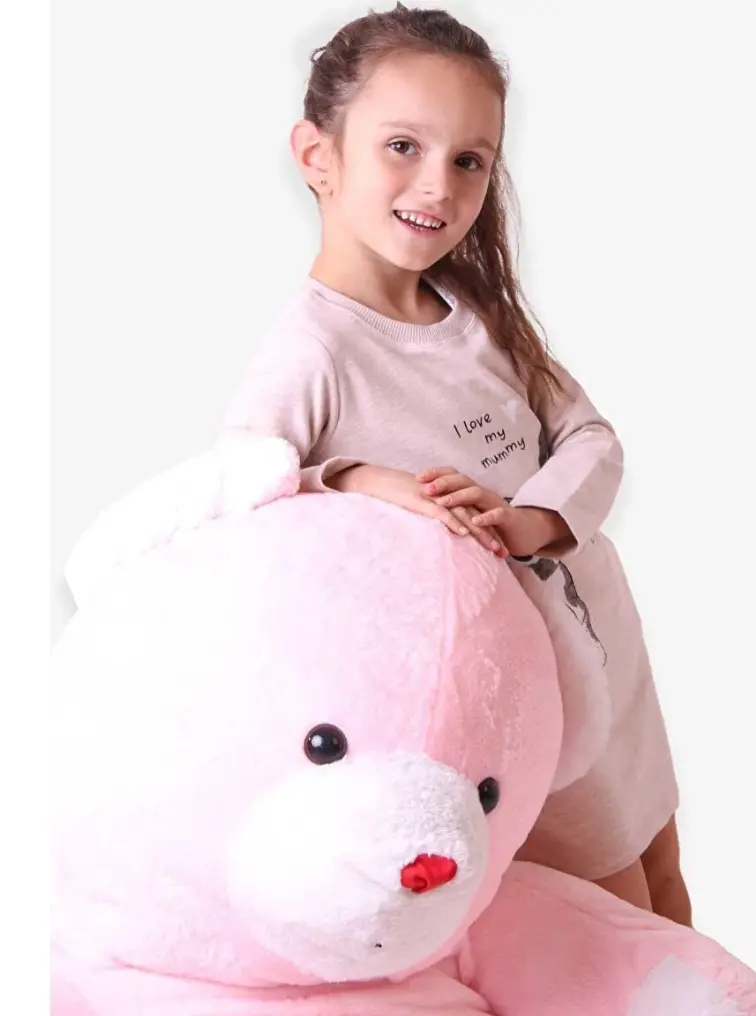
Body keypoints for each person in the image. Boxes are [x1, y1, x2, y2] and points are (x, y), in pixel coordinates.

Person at [222, 3, 692, 925]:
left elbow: (591, 438)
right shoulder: (311, 354)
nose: (437, 185)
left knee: (666, 868)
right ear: (318, 154)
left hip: (607, 644)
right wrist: (349, 478)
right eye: (403, 146)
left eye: (470, 160)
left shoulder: (477, 314)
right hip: (521, 697)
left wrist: (530, 520)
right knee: (619, 919)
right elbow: (235, 504)